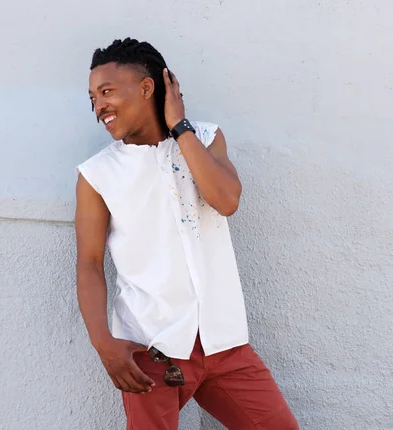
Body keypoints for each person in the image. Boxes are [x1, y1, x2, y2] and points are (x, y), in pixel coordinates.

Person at [74, 38, 299, 430]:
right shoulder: (98, 175)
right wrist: (102, 342)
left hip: (223, 341)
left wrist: (181, 128)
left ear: (147, 88)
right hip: (151, 348)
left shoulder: (206, 139)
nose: (98, 107)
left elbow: (226, 200)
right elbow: (89, 262)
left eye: (106, 91)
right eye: (93, 97)